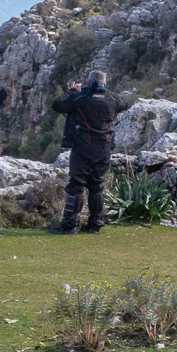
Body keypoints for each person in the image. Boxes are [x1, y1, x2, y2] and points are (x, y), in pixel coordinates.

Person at [50, 69, 119, 232]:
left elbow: (57, 105)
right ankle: (95, 224)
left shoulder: (79, 98)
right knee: (97, 186)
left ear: (88, 82)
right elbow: (122, 103)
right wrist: (102, 91)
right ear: (105, 84)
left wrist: (73, 90)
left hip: (82, 148)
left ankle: (69, 225)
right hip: (103, 149)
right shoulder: (111, 99)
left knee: (76, 185)